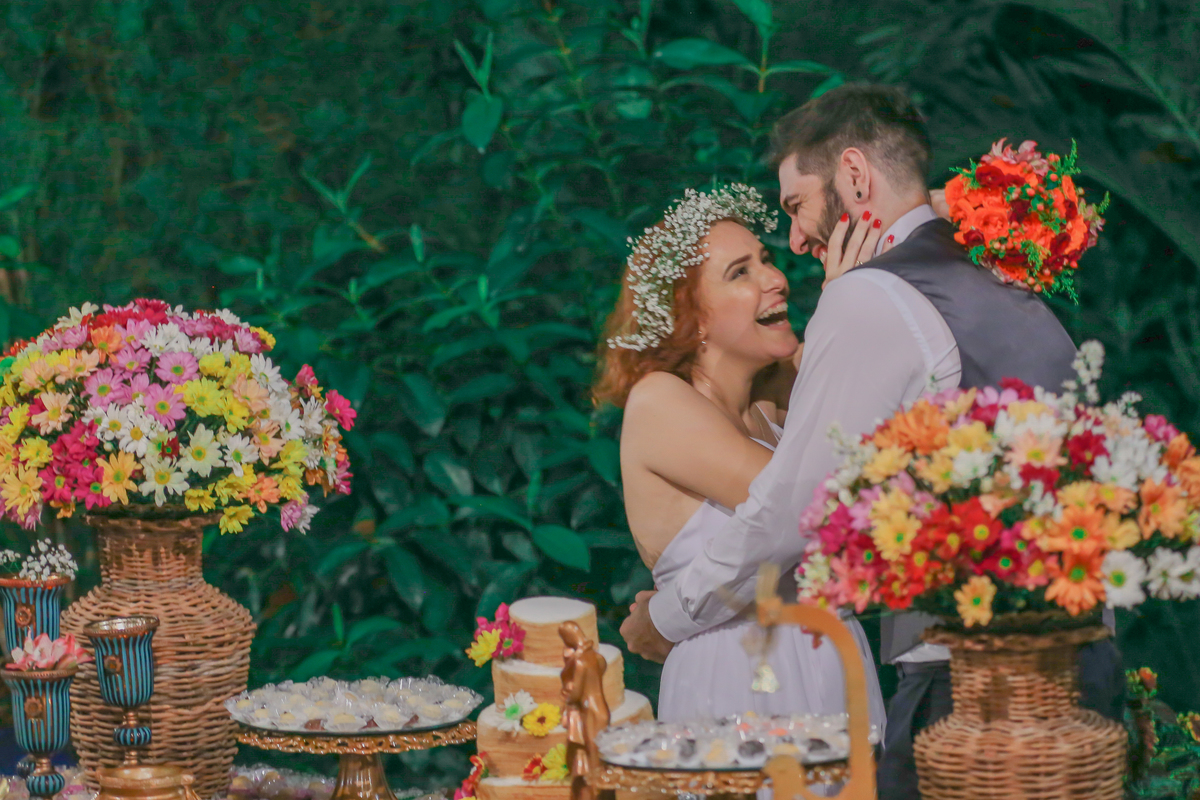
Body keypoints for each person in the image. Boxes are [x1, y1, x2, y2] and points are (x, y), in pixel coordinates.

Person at [617, 85, 1125, 799]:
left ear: (854, 175)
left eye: (797, 205)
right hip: (1075, 660)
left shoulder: (869, 297)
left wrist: (665, 618)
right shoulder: (988, 273)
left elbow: (794, 511)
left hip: (973, 680)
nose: (795, 245)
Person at [593, 184, 887, 727]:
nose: (776, 279)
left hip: (828, 660)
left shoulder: (771, 400)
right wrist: (841, 305)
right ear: (694, 317)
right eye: (740, 272)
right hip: (740, 678)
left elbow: (875, 354)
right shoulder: (659, 401)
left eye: (766, 260)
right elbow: (801, 508)